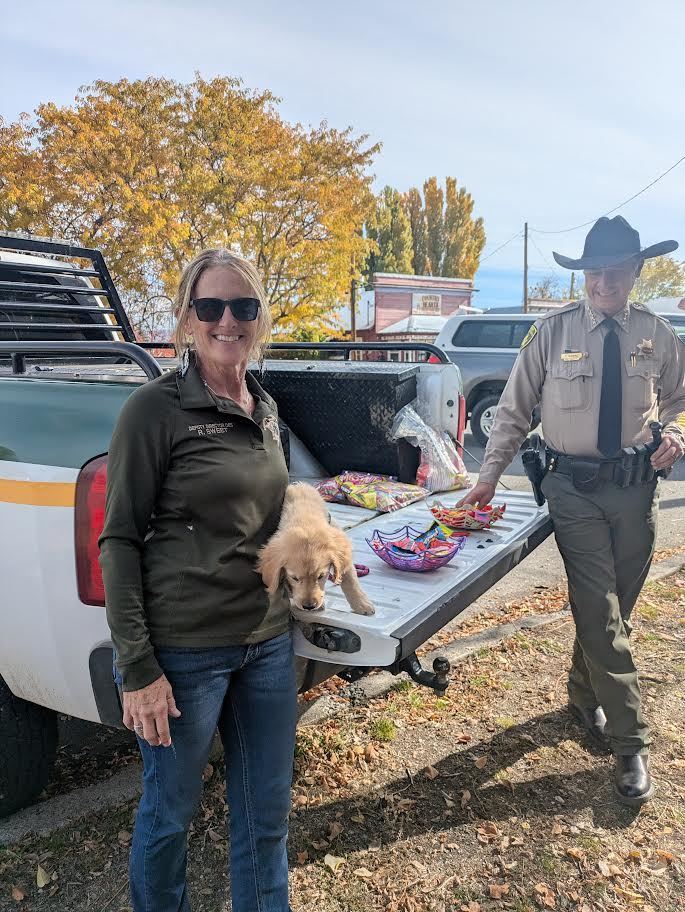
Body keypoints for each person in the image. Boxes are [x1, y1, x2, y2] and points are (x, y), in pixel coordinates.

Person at [464, 216, 685, 805]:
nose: (603, 281)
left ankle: (583, 696)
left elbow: (682, 400)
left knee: (617, 609)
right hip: (573, 491)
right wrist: (487, 479)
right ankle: (630, 740)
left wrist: (679, 432)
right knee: (599, 605)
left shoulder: (657, 335)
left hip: (638, 489)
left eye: (616, 270)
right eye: (593, 271)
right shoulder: (550, 332)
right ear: (583, 274)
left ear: (638, 271)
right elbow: (512, 409)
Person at [99, 249, 296, 911]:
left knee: (265, 820)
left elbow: (271, 517)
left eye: (243, 306)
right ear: (186, 318)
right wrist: (137, 667)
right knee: (169, 816)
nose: (227, 320)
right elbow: (119, 539)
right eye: (209, 307)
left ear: (260, 316)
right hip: (184, 657)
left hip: (267, 645)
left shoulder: (266, 406)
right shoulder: (153, 410)